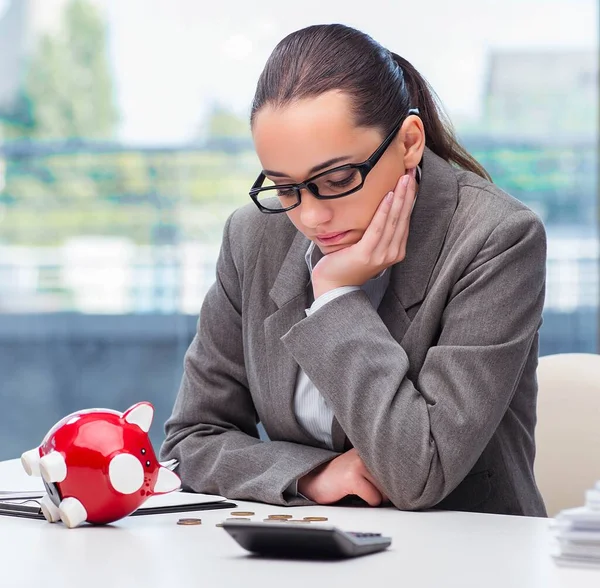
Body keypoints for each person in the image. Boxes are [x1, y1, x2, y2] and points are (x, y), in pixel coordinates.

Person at [160, 23, 547, 517]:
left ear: (409, 142)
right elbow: (190, 441)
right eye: (284, 187)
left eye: (338, 179)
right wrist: (311, 475)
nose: (311, 217)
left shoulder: (496, 238)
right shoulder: (253, 236)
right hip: (307, 546)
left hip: (464, 553)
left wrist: (335, 298)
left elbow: (420, 473)